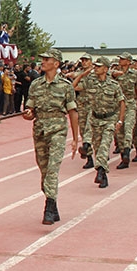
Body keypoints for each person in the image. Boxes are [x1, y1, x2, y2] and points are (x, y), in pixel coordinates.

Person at [23, 49, 80, 223]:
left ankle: (49, 206)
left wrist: (76, 138)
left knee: (53, 169)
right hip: (40, 130)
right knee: (44, 170)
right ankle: (53, 204)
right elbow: (30, 109)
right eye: (43, 59)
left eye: (47, 59)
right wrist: (28, 114)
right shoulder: (36, 85)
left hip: (58, 130)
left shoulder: (65, 86)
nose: (43, 62)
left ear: (56, 63)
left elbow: (73, 112)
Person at [73, 56, 125, 188]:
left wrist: (120, 121)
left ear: (106, 69)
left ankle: (101, 171)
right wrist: (82, 75)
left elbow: (121, 102)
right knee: (97, 147)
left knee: (104, 146)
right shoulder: (90, 82)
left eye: (99, 66)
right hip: (95, 120)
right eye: (95, 66)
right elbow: (73, 86)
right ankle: (103, 174)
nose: (95, 68)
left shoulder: (113, 85)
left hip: (109, 120)